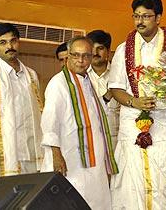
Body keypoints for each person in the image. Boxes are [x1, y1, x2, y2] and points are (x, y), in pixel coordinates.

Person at [108, 0, 166, 210]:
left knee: (163, 189)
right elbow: (115, 87)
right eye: (136, 16)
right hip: (132, 127)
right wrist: (135, 102)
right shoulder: (123, 49)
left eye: (146, 16)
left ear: (158, 18)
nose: (139, 21)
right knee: (130, 188)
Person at [41, 36, 117, 209]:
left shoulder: (87, 82)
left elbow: (93, 115)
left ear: (91, 57)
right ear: (68, 56)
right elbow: (49, 123)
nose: (81, 61)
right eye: (76, 55)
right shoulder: (58, 84)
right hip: (69, 159)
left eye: (86, 56)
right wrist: (56, 154)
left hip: (92, 163)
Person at [0, 23, 43, 177]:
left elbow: (38, 114)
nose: (9, 46)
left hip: (34, 154)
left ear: (19, 42)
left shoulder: (32, 75)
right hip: (6, 154)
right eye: (3, 42)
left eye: (13, 41)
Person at [87, 29, 120, 150]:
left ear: (108, 52)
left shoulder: (120, 76)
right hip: (88, 143)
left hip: (116, 144)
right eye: (91, 48)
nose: (95, 52)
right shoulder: (80, 77)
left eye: (100, 48)